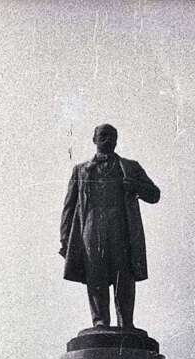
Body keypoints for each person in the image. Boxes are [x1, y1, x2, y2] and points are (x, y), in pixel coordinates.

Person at [59, 123, 160, 329]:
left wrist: (135, 186)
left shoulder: (130, 167)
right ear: (94, 139)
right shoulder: (80, 170)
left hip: (121, 231)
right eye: (103, 135)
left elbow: (154, 194)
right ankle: (100, 323)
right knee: (95, 277)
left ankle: (126, 324)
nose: (108, 139)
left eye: (112, 136)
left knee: (124, 276)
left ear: (117, 140)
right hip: (90, 230)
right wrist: (64, 239)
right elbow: (69, 208)